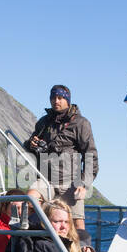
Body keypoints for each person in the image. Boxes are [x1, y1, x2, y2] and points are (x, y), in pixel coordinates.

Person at [26, 85, 98, 240]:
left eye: (60, 98)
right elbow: (31, 146)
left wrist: (83, 183)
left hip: (71, 182)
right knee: (30, 200)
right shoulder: (43, 123)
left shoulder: (81, 123)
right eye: (53, 98)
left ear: (67, 100)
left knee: (78, 224)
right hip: (46, 180)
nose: (55, 101)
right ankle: (40, 243)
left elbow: (90, 155)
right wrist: (31, 144)